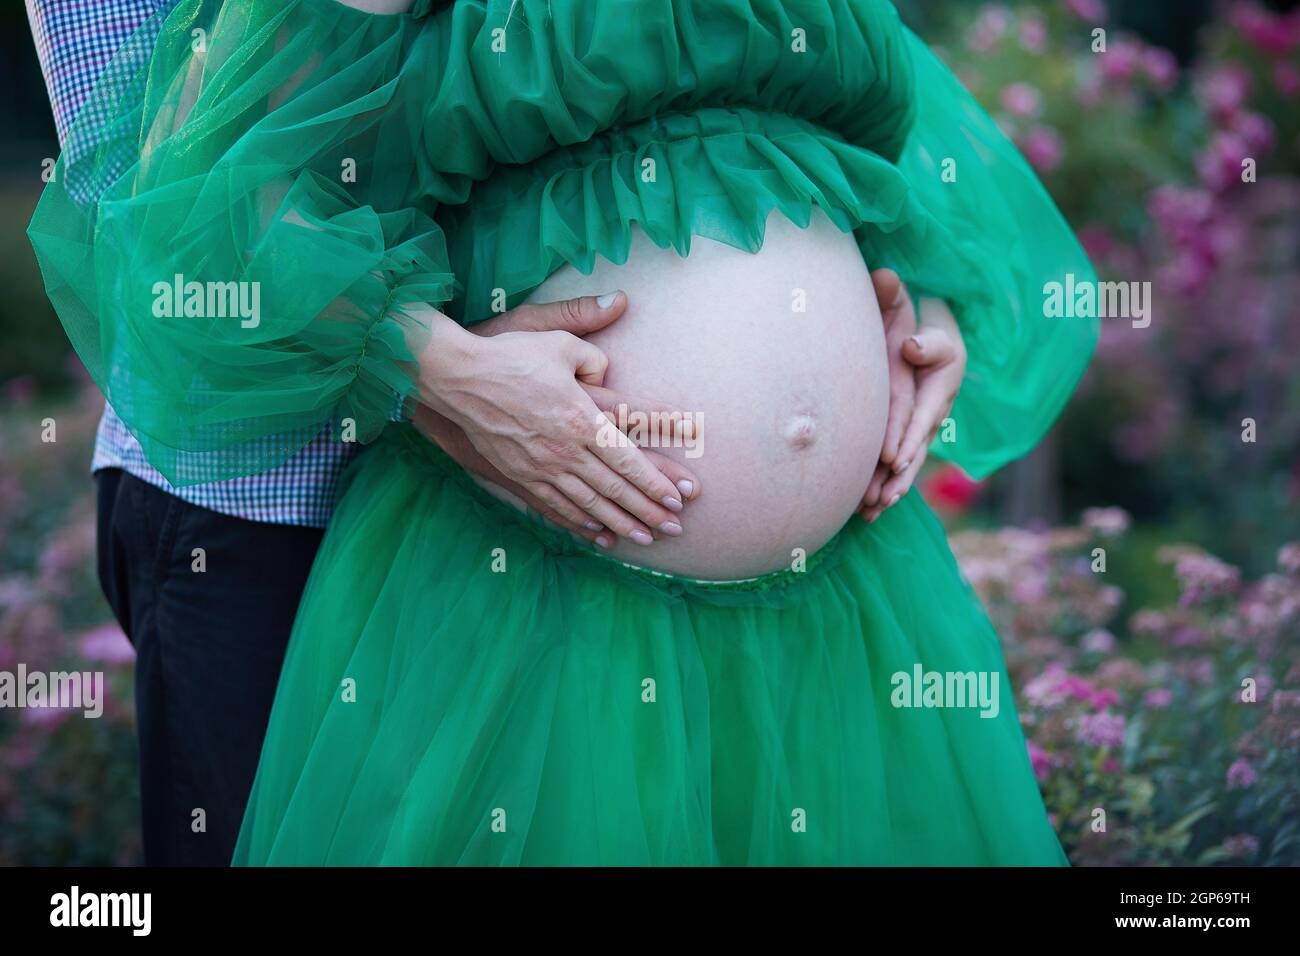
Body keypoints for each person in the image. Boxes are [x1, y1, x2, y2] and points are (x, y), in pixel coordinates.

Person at [27, 0, 963, 864]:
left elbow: (861, 133)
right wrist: (430, 365)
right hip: (419, 548)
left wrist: (914, 296)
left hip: (828, 597)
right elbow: (185, 193)